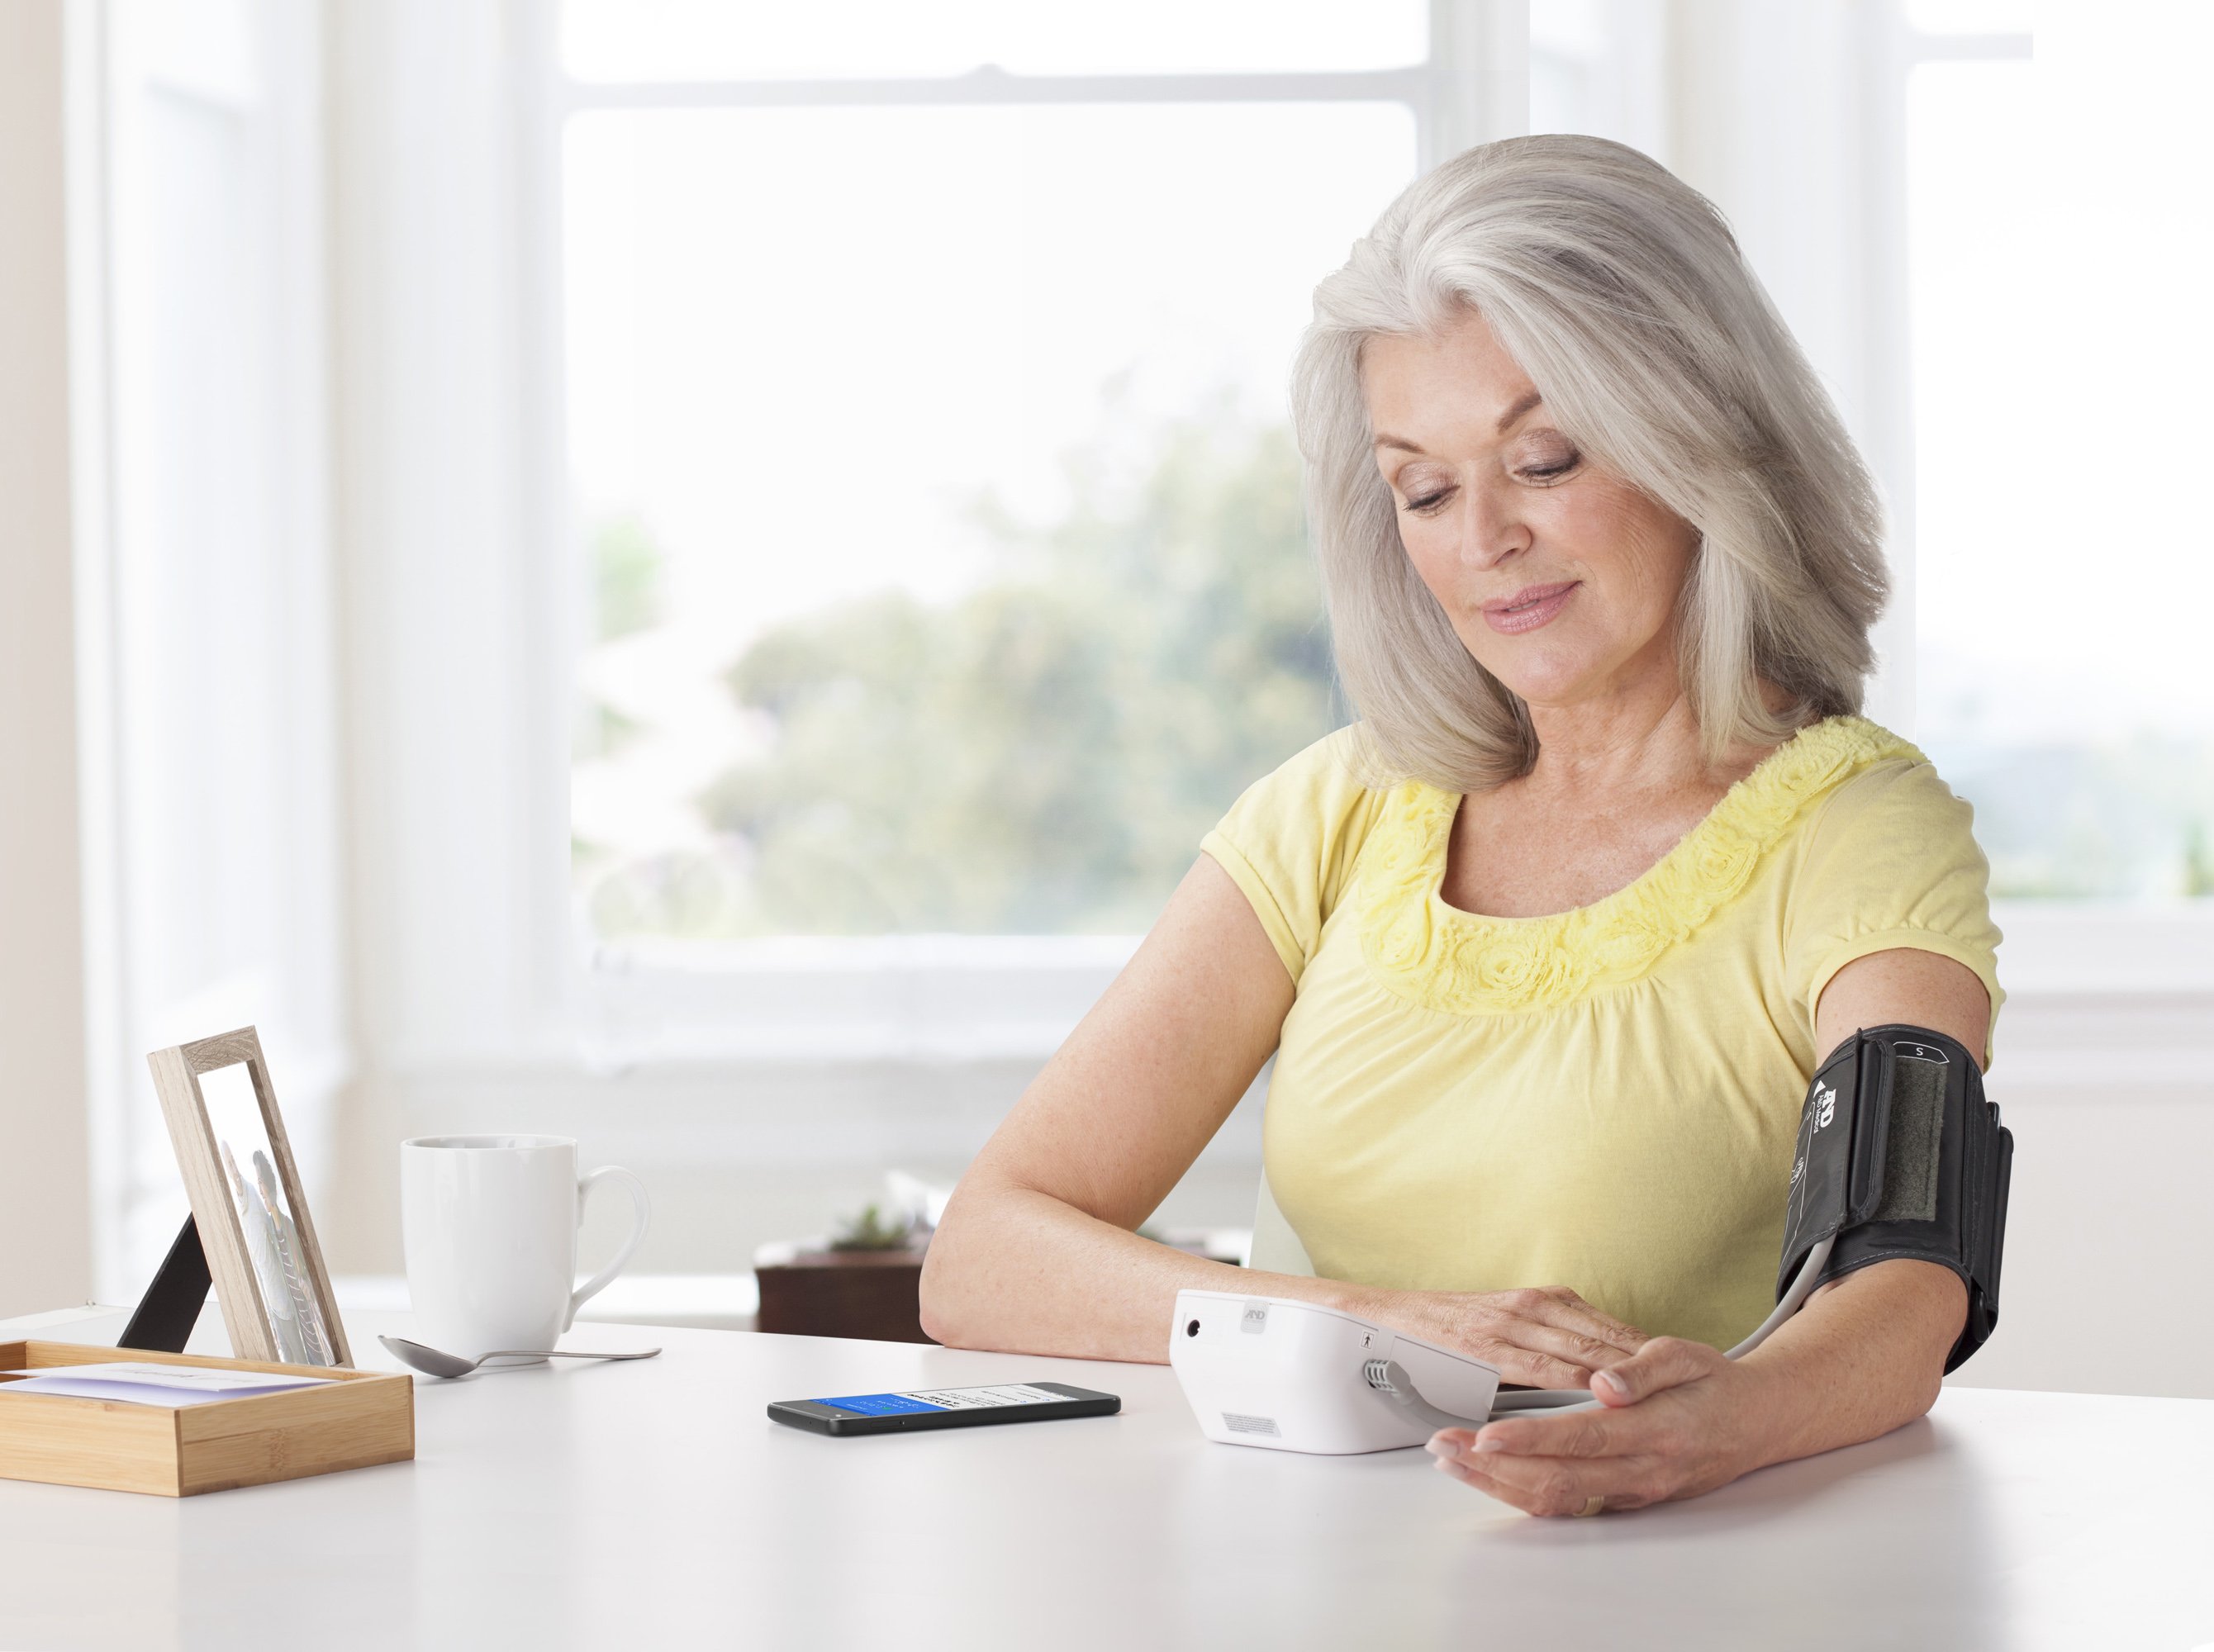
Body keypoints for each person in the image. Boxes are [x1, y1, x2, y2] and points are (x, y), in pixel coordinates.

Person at [919, 135, 2003, 1517]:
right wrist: (1388, 1327)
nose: (1480, 535)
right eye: (1423, 488)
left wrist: (1709, 1429)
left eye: (1543, 459)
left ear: (1701, 444)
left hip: (1661, 1574)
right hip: (1292, 1576)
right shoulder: (1339, 808)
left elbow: (1907, 1279)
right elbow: (984, 1259)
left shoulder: (1856, 827)